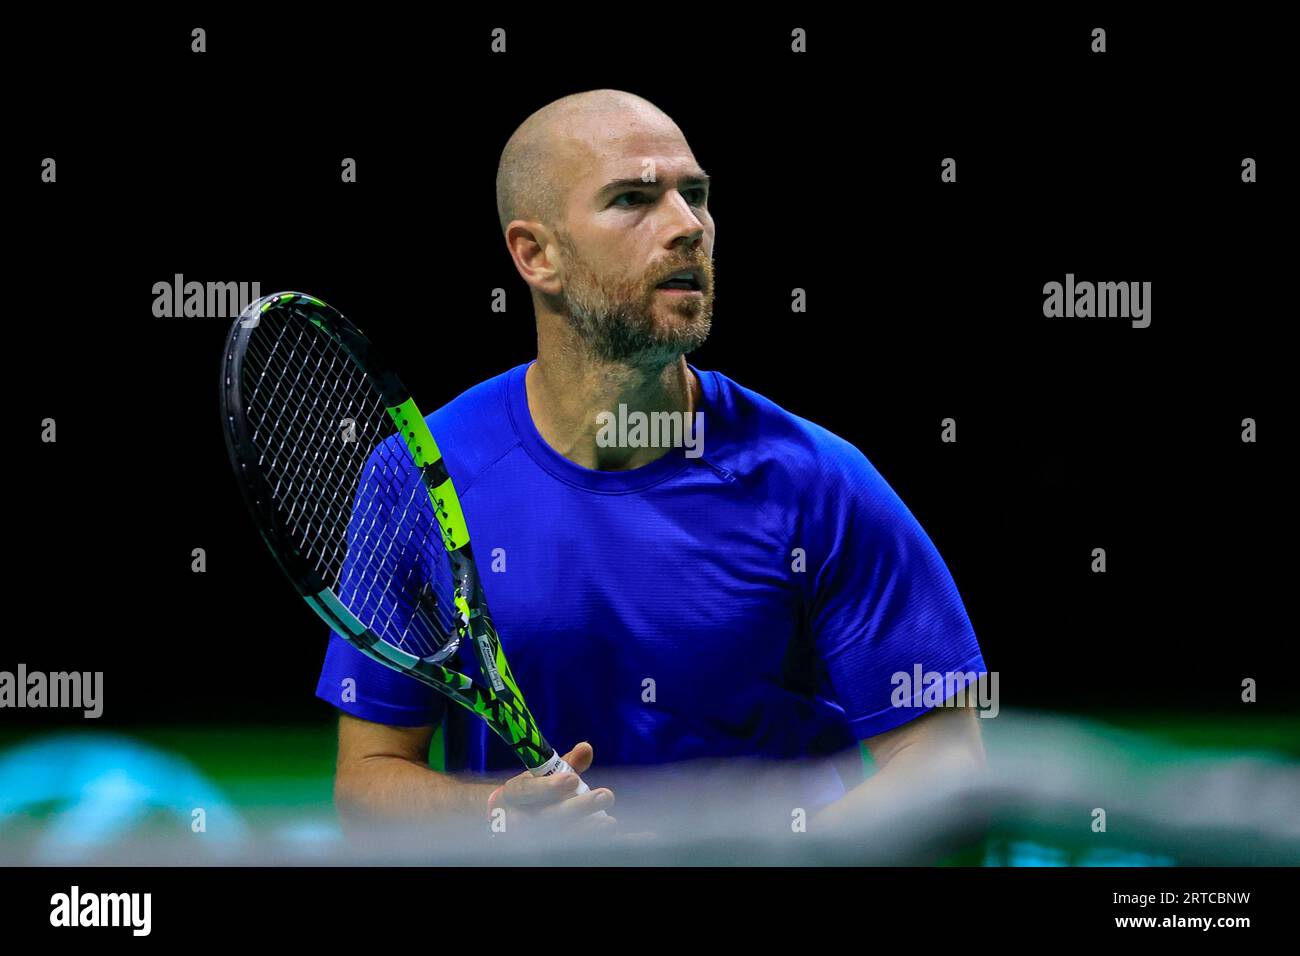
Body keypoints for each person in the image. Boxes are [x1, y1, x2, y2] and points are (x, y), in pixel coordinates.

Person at [317, 89, 987, 842]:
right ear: (536, 255)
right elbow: (369, 780)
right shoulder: (419, 478)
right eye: (634, 199)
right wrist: (496, 815)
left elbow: (945, 763)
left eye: (695, 196)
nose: (688, 227)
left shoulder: (820, 482)